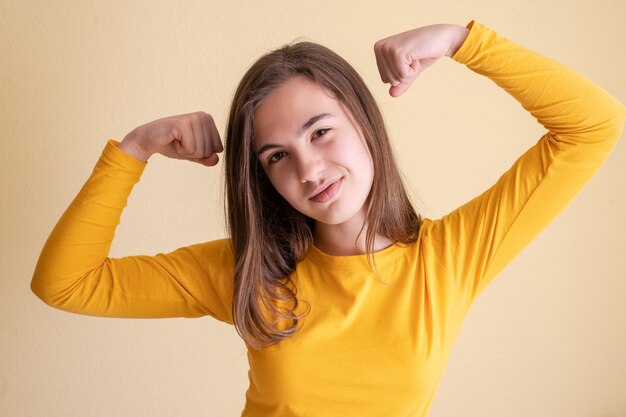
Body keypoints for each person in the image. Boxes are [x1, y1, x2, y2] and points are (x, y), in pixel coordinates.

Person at [31, 19, 625, 417]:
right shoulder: (248, 275)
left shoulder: (449, 257)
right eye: (278, 156)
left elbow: (594, 125)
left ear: (363, 122)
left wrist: (462, 40)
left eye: (320, 131)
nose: (310, 169)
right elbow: (65, 283)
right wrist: (135, 149)